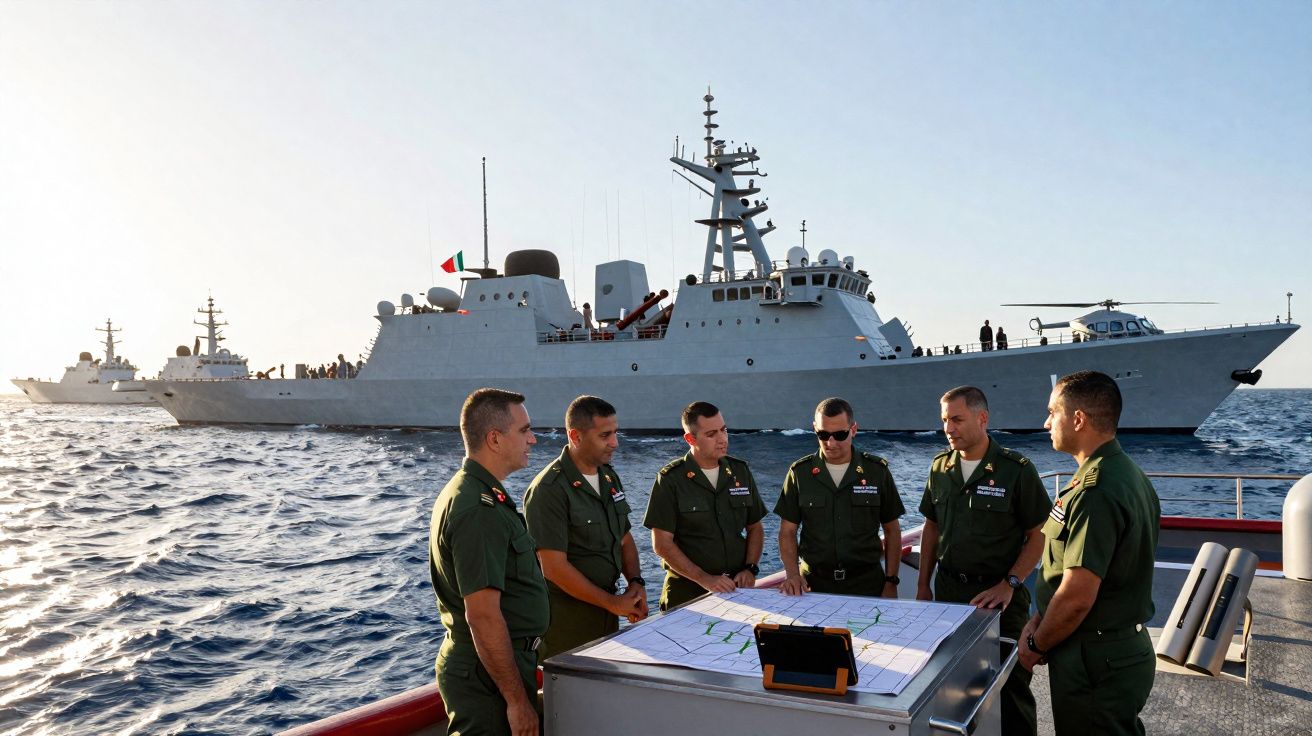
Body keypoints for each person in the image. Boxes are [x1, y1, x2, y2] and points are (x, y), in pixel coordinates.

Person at [1019, 371, 1161, 735]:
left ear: (1078, 419)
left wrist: (1036, 642)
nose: (1046, 421)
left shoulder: (1094, 490)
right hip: (1114, 651)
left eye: (1053, 412)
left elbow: (1078, 596)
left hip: (1095, 658)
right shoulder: (1125, 474)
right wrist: (1041, 617)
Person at [918, 386, 1051, 736]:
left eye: (957, 419)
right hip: (949, 594)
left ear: (982, 418)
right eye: (945, 420)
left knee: (1011, 688)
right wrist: (922, 587)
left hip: (1000, 600)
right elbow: (931, 528)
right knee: (953, 686)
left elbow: (1038, 535)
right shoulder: (940, 468)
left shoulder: (1016, 470)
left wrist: (1010, 584)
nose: (949, 428)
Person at [429, 388, 548, 736]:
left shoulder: (479, 493)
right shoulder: (477, 508)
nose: (534, 439)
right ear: (495, 439)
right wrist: (516, 702)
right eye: (524, 431)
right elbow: (482, 615)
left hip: (498, 667)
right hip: (488, 678)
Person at [524, 396, 648, 661]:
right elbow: (553, 566)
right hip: (568, 627)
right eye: (605, 435)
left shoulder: (608, 477)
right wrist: (612, 603)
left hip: (606, 618)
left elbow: (624, 539)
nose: (614, 443)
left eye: (615, 433)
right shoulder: (549, 490)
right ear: (575, 436)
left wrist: (636, 584)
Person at [643, 401, 767, 610]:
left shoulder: (740, 471)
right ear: (690, 438)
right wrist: (705, 579)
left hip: (736, 591)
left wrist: (750, 569)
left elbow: (755, 526)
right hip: (687, 596)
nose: (722, 439)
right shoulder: (671, 479)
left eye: (724, 430)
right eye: (711, 434)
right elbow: (662, 544)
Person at [776, 397, 904, 597]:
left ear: (853, 430)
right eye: (823, 434)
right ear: (814, 428)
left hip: (867, 585)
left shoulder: (876, 472)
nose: (830, 442)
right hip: (813, 586)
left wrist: (891, 581)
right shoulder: (800, 473)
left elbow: (892, 530)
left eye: (840, 434)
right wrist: (792, 575)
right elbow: (787, 531)